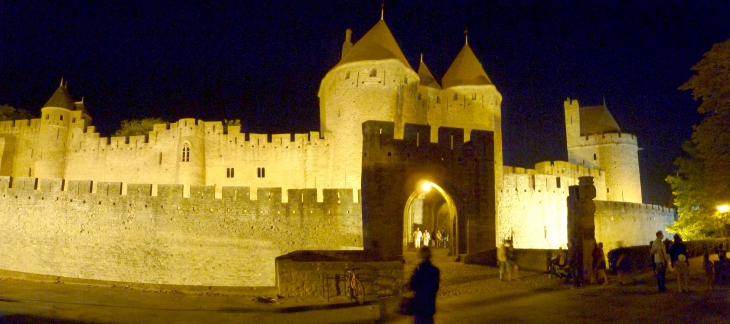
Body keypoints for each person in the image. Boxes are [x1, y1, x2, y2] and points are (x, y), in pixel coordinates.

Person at [408, 247, 440, 324]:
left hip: (419, 303)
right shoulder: (435, 270)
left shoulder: (419, 269)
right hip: (430, 303)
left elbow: (412, 285)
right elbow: (435, 287)